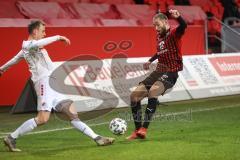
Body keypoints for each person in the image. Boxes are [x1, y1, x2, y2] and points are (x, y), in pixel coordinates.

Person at [0, 20, 114, 152]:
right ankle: (11, 137)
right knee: (42, 119)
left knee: (71, 113)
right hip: (43, 83)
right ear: (35, 31)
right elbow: (37, 44)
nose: (44, 33)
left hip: (52, 83)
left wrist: (2, 69)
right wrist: (58, 37)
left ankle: (97, 138)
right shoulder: (28, 45)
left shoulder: (29, 48)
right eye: (43, 31)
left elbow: (15, 58)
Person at [127, 9, 187, 140]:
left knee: (153, 91)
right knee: (134, 97)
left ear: (165, 22)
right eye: (154, 25)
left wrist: (179, 18)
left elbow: (183, 26)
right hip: (158, 70)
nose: (156, 28)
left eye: (158, 25)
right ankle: (137, 130)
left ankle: (144, 128)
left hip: (171, 72)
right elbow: (160, 52)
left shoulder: (174, 34)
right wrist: (150, 60)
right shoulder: (159, 37)